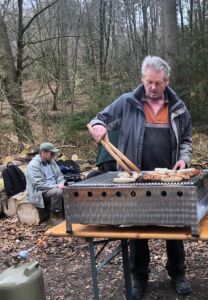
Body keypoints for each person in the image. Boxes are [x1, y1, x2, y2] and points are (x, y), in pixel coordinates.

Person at [88, 56, 192, 299]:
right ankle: (139, 279)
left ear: (167, 81)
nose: (152, 87)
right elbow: (98, 119)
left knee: (174, 227)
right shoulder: (127, 102)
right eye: (148, 82)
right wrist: (98, 127)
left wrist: (184, 160)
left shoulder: (179, 107)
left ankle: (178, 274)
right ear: (142, 79)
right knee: (137, 230)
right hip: (134, 178)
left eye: (157, 82)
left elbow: (186, 140)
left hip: (169, 178)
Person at [26, 142, 65, 224]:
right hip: (39, 192)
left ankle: (68, 211)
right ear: (43, 153)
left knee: (72, 186)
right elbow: (39, 185)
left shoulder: (51, 161)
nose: (53, 155)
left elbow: (59, 175)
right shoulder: (33, 165)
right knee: (57, 192)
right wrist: (57, 186)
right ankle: (55, 216)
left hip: (52, 187)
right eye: (51, 153)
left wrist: (62, 183)